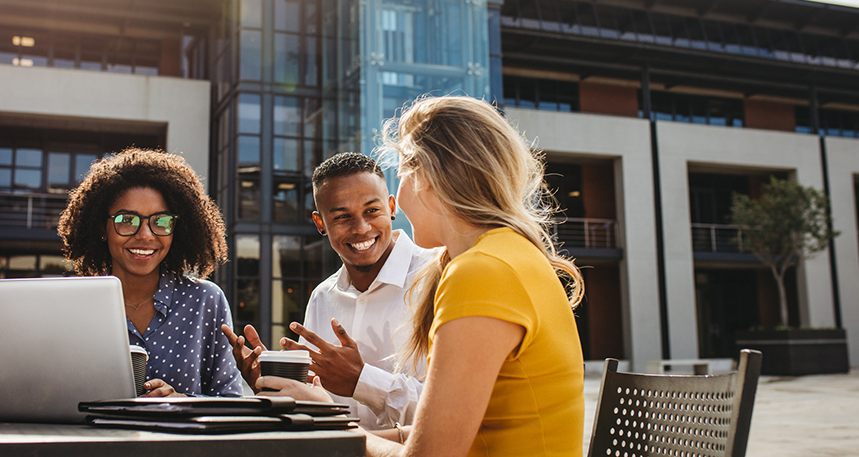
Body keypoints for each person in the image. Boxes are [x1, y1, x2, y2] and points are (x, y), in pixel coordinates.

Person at [263, 97, 587, 457]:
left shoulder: (479, 273)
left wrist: (326, 419)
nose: (399, 197)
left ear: (426, 179)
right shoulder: (507, 255)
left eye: (401, 173)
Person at [222, 152, 436, 429]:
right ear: (320, 223)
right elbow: (316, 406)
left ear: (391, 207)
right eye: (342, 217)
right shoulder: (322, 297)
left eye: (372, 210)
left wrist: (362, 381)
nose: (361, 228)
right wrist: (273, 385)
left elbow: (457, 412)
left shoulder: (437, 276)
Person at [58, 148, 242, 397]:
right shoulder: (72, 306)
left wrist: (183, 403)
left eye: (161, 221)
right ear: (103, 227)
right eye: (127, 220)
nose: (145, 235)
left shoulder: (205, 301)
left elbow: (231, 400)